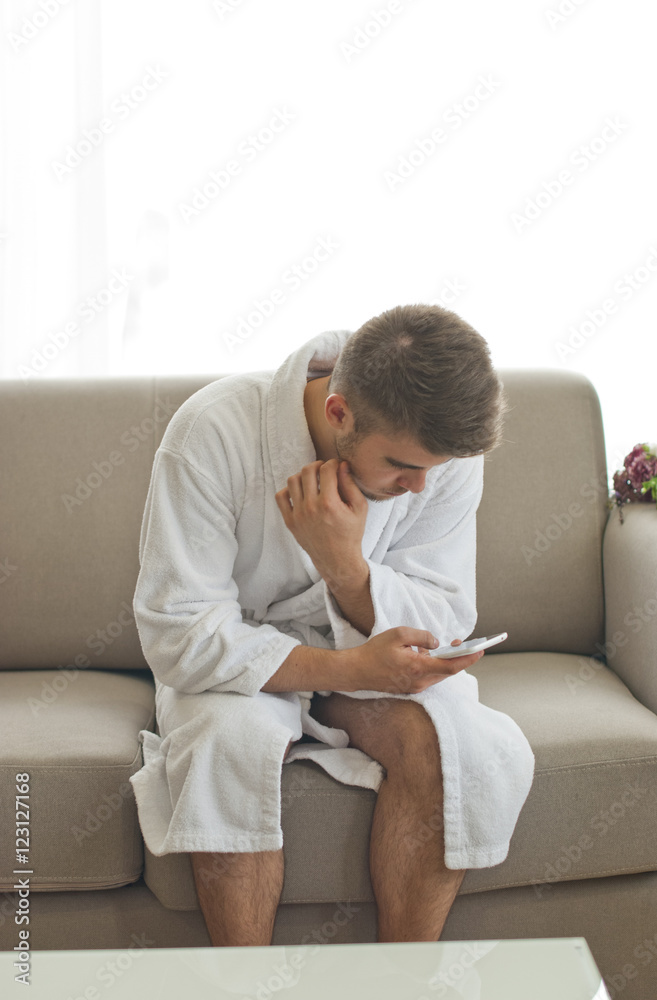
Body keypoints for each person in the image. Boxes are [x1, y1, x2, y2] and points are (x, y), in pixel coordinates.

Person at [129, 303, 535, 948]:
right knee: (223, 743)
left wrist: (346, 570)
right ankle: (245, 993)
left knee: (457, 743)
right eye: (403, 466)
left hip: (364, 645)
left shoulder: (438, 452)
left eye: (436, 469)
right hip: (246, 665)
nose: (421, 488)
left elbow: (447, 612)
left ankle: (405, 987)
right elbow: (179, 631)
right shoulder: (214, 431)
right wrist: (351, 667)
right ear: (339, 411)